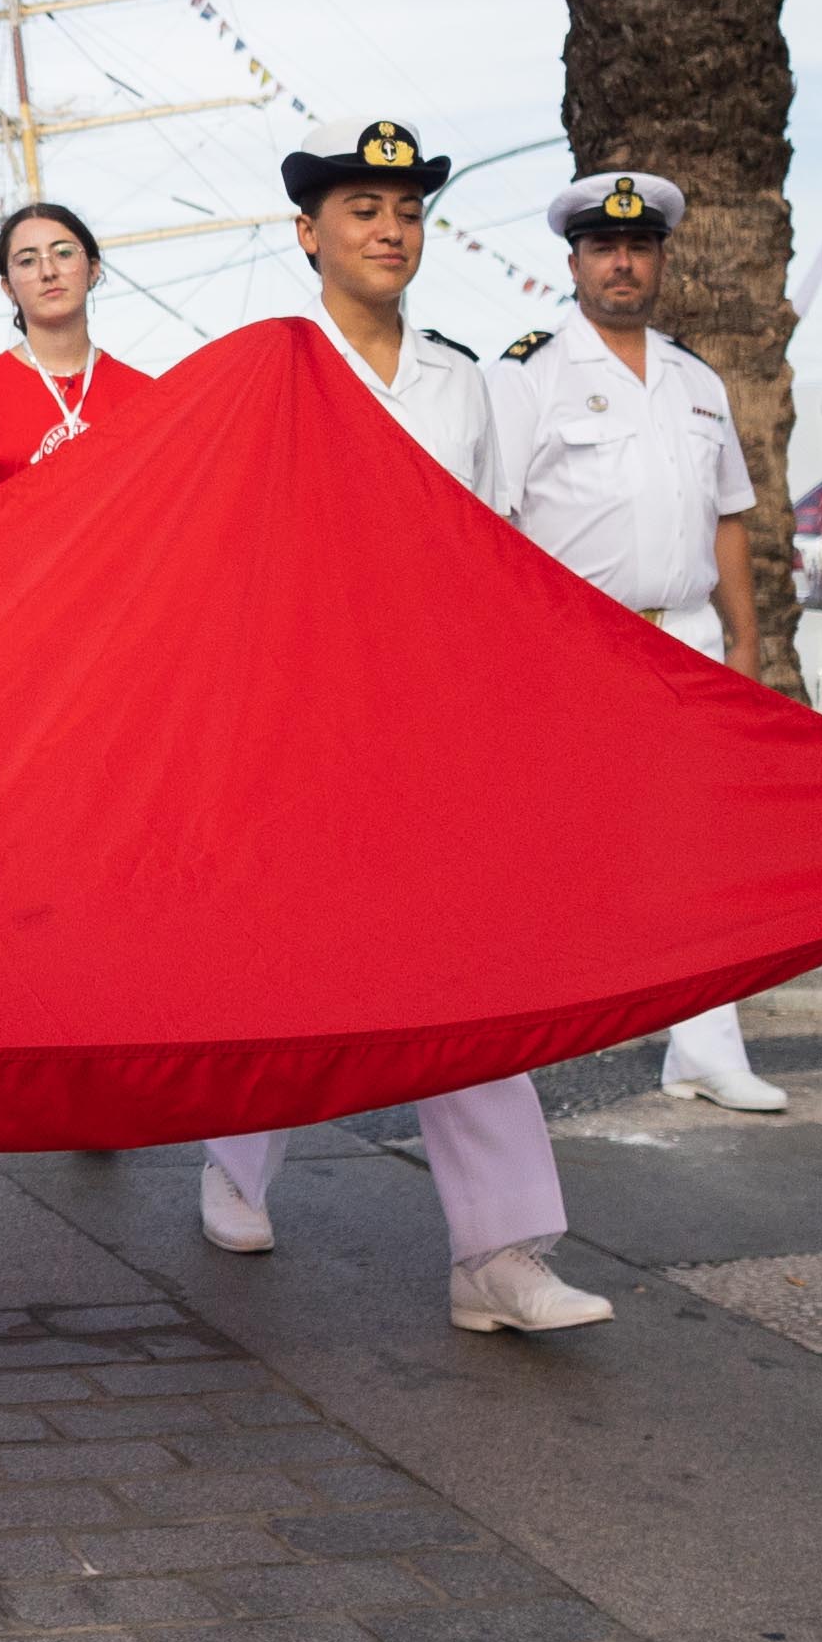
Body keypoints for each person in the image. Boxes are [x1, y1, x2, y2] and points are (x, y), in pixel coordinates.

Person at [198, 116, 611, 1336]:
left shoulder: (459, 380)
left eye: (408, 211)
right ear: (308, 232)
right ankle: (235, 1160)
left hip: (426, 709)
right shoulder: (270, 368)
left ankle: (500, 1252)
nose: (389, 229)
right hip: (295, 705)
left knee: (463, 961)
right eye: (363, 209)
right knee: (279, 954)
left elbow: (483, 552)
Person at [491, 173, 788, 1115]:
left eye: (639, 248)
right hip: (577, 647)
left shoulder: (696, 380)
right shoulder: (527, 375)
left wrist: (744, 645)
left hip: (687, 641)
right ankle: (501, 1055)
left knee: (698, 853)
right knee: (546, 854)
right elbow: (494, 524)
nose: (622, 264)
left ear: (661, 259)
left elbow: (729, 517)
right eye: (603, 249)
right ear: (574, 262)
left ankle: (705, 1050)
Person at [0, 202, 156, 506]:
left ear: (93, 270)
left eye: (64, 253)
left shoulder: (144, 395)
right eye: (28, 261)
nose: (48, 272)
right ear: (8, 287)